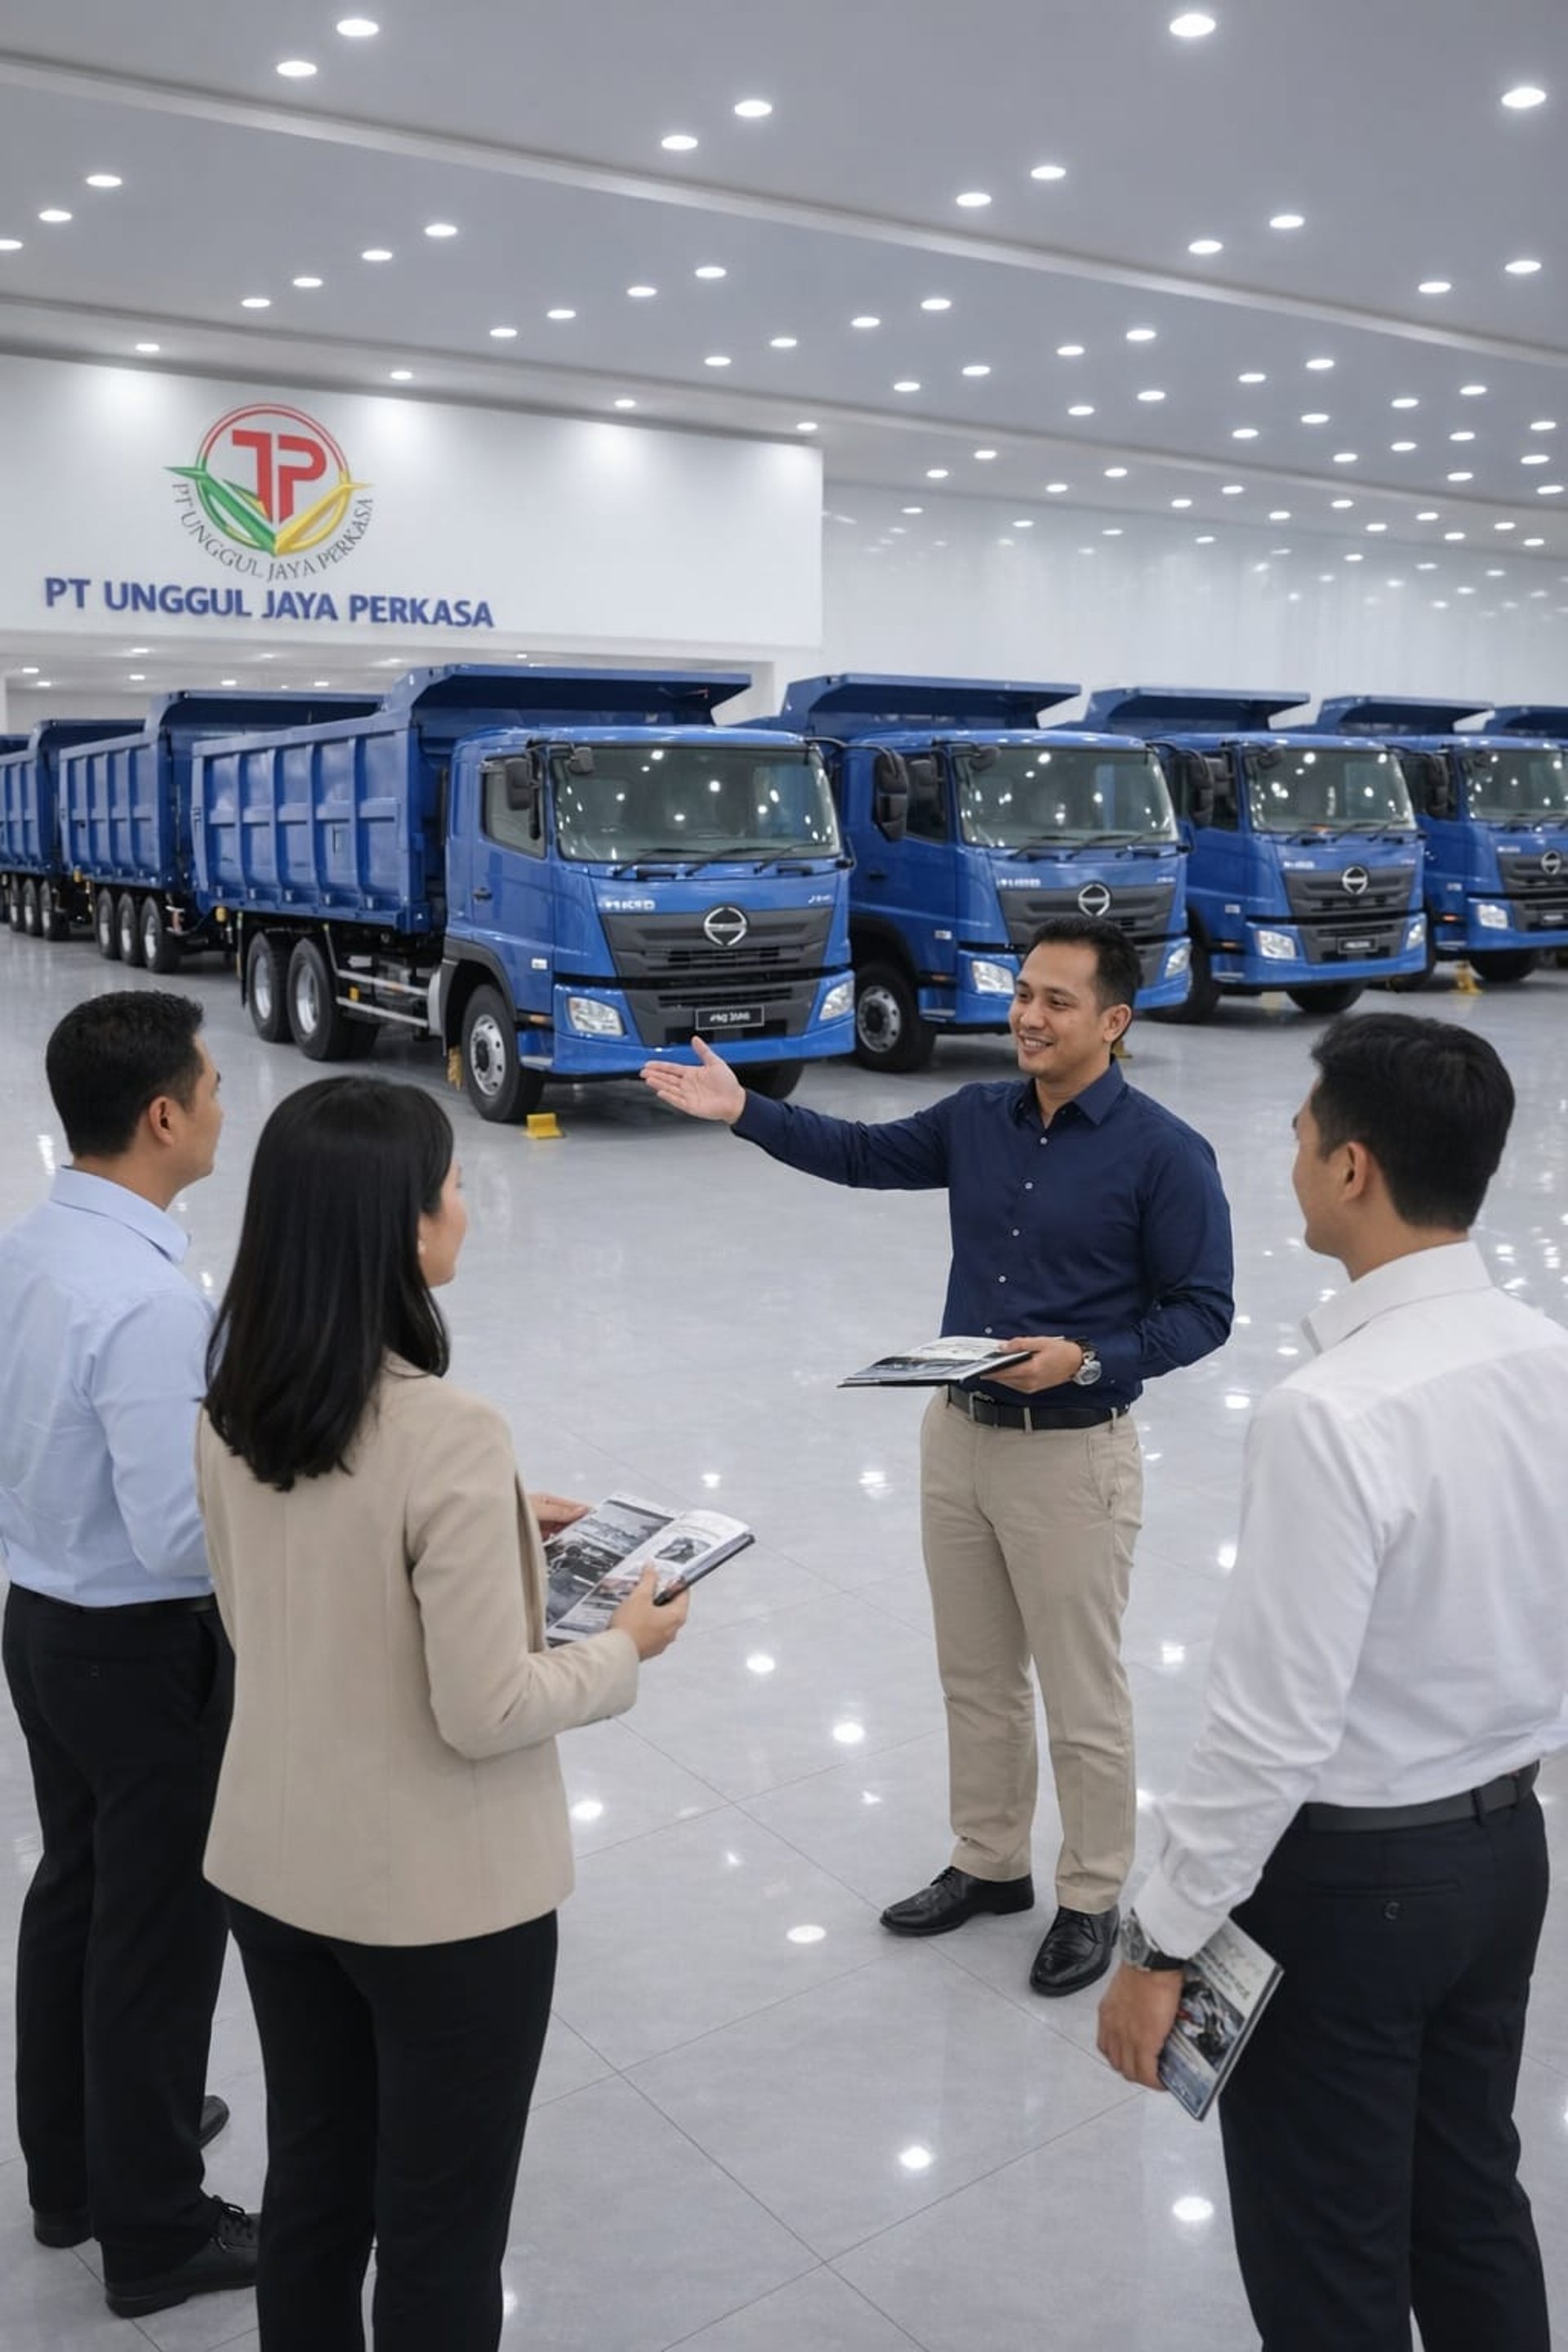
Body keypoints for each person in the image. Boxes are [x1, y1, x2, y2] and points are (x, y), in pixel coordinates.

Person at [642, 915, 1233, 1994]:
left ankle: (1093, 1893)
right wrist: (748, 1113)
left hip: (1073, 1460)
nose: (1029, 1015)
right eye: (1022, 993)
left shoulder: (1164, 1154)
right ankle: (989, 1861)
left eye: (1057, 1001)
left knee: (1082, 1693)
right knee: (975, 1674)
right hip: (957, 1439)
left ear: (1114, 1020)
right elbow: (866, 1156)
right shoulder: (977, 1117)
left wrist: (1089, 1359)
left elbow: (1205, 1313)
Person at [1098, 1013, 1568, 2352]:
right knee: (1471, 2200)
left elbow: (1269, 1731)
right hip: (1503, 1858)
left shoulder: (1334, 1411)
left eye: (1303, 1136)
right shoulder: (1547, 1354)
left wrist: (1161, 1943)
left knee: (1329, 2258)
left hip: (1347, 1894)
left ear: (1354, 1168)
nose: (1291, 1156)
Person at [197, 1075, 688, 2352]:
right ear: (404, 1228)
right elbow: (488, 1708)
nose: (468, 1207)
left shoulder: (235, 1400)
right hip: (438, 1904)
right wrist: (623, 1646)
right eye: (455, 1186)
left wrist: (492, 1539)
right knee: (440, 2227)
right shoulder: (450, 1432)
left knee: (315, 2186)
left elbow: (279, 1609)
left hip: (272, 1860)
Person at [0, 990, 256, 2319]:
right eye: (211, 1086)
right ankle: (155, 2231)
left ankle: (75, 2177)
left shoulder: (33, 1248)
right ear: (163, 1117)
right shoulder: (151, 1303)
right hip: (140, 1649)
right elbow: (177, 1538)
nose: (222, 1103)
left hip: (40, 1621)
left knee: (78, 1900)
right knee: (157, 1934)